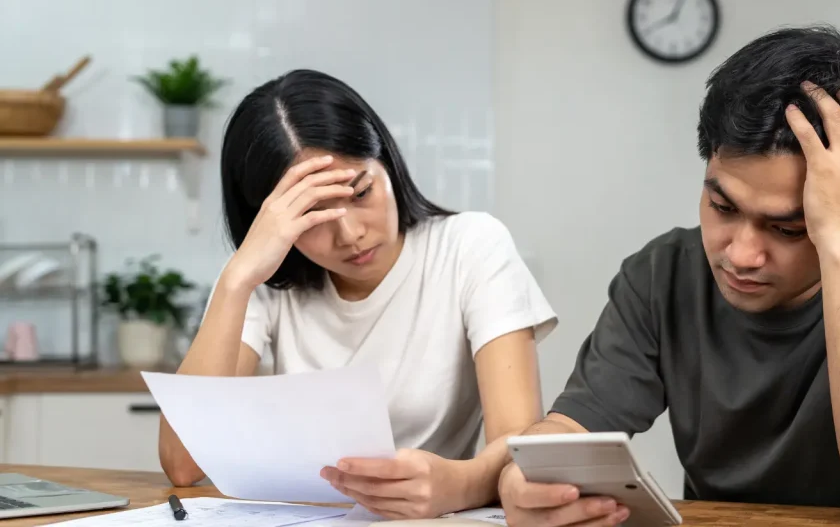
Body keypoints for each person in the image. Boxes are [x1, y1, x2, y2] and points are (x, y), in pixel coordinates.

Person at [497, 25, 840, 527]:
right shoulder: (662, 274)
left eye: (789, 227)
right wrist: (527, 479)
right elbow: (570, 429)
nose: (742, 254)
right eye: (722, 206)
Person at [158, 69, 558, 520]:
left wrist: (459, 485)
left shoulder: (470, 246)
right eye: (311, 216)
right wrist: (236, 281)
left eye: (361, 191)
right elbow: (183, 465)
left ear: (387, 161)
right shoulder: (263, 281)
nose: (350, 234)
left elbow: (520, 442)